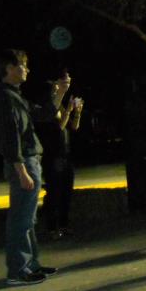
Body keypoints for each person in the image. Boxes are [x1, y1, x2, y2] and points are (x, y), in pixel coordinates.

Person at [0, 49, 69, 285]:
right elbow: (9, 138)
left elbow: (43, 114)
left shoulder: (16, 97)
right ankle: (18, 270)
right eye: (23, 65)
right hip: (23, 162)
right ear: (9, 69)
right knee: (20, 219)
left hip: (29, 161)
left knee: (28, 218)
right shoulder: (5, 99)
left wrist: (61, 93)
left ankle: (31, 264)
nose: (27, 69)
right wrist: (21, 170)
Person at [40, 83, 84, 240]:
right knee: (54, 193)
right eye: (56, 89)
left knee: (66, 192)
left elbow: (73, 127)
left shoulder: (60, 107)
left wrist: (77, 113)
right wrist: (69, 111)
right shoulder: (46, 109)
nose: (59, 92)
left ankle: (64, 225)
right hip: (53, 156)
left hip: (66, 155)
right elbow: (58, 128)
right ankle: (52, 228)